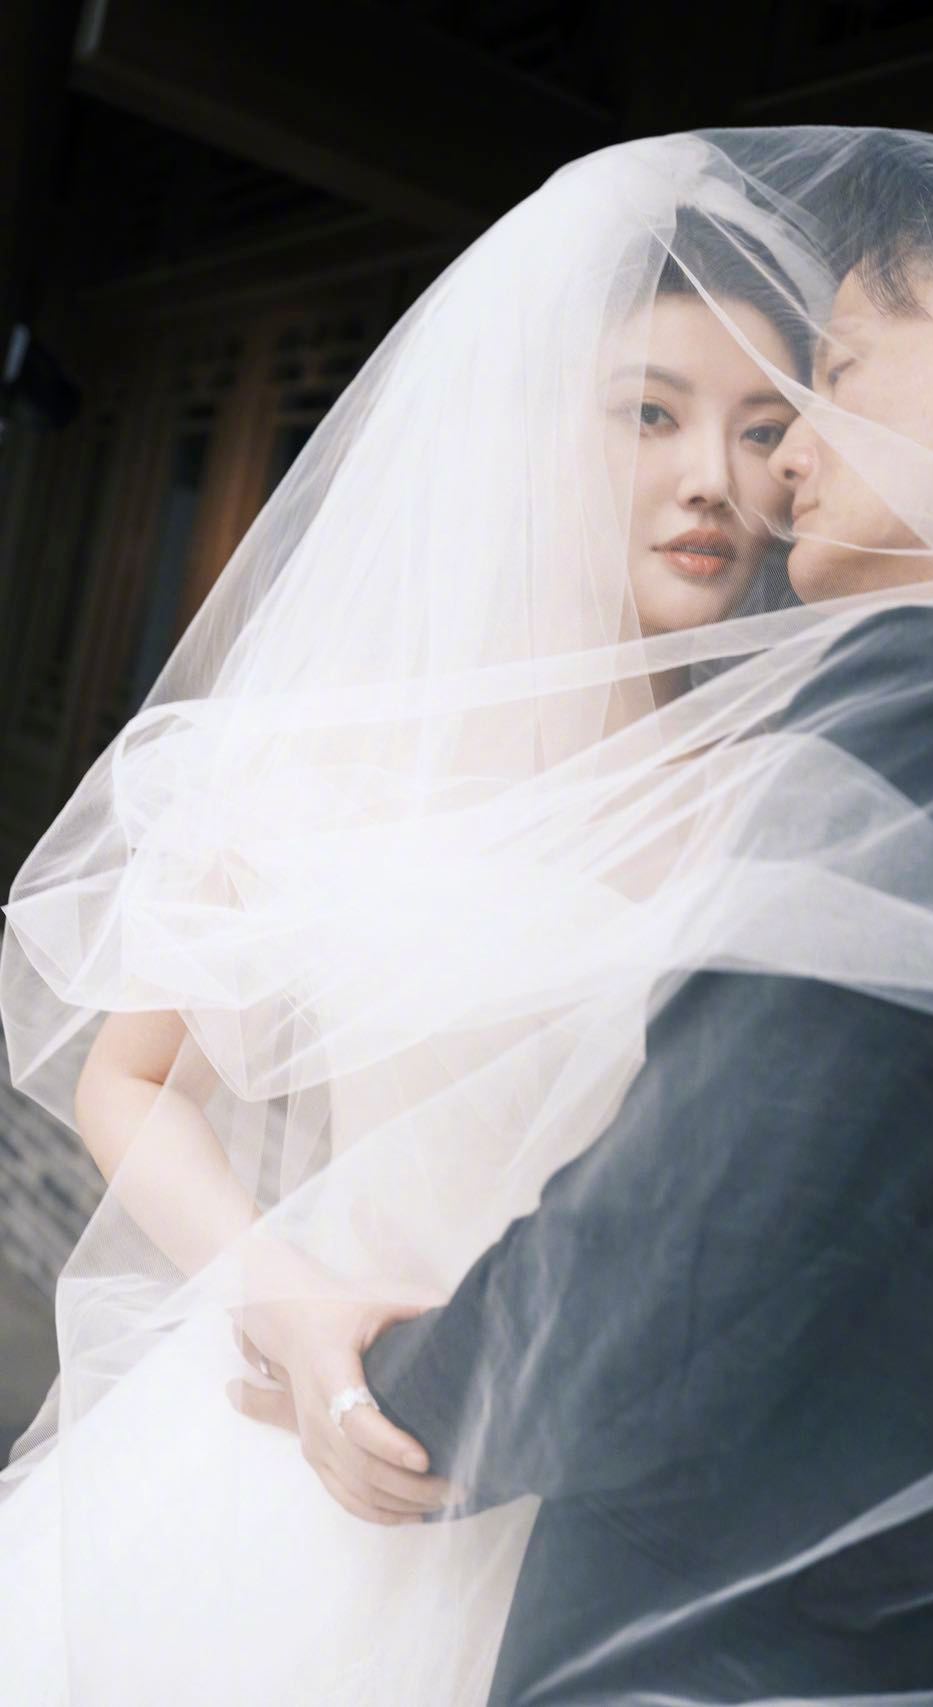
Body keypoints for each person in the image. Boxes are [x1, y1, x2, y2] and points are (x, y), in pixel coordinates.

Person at [352, 128, 933, 1702]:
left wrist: (398, 1392)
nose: (786, 461)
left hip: (762, 1638)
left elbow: (702, 1218)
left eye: (837, 373)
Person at [0, 150, 820, 1702]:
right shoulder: (332, 748)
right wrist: (288, 1304)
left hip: (628, 1516)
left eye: (761, 428)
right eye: (650, 414)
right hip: (322, 1444)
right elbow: (132, 1080)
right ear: (535, 432)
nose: (714, 476)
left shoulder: (778, 787)